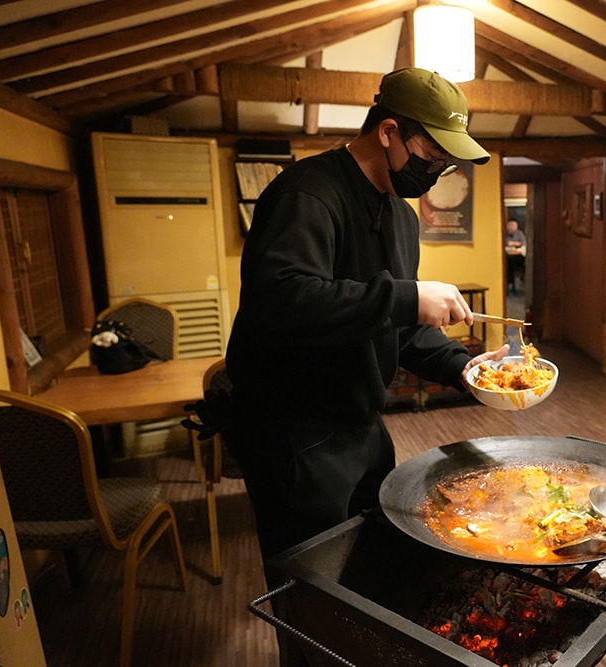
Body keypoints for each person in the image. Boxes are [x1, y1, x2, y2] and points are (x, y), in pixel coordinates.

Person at [224, 67, 509, 665]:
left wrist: (466, 368)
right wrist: (407, 295)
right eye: (433, 153)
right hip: (293, 435)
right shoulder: (307, 194)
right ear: (388, 131)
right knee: (308, 596)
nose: (437, 171)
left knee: (371, 578)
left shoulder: (402, 218)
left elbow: (396, 329)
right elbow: (283, 301)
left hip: (360, 426)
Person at [504, 218, 526, 294]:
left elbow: (523, 243)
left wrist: (514, 243)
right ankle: (510, 285)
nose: (512, 227)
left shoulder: (519, 233)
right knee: (508, 265)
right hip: (508, 256)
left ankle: (518, 284)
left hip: (519, 257)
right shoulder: (504, 233)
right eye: (510, 225)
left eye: (514, 225)